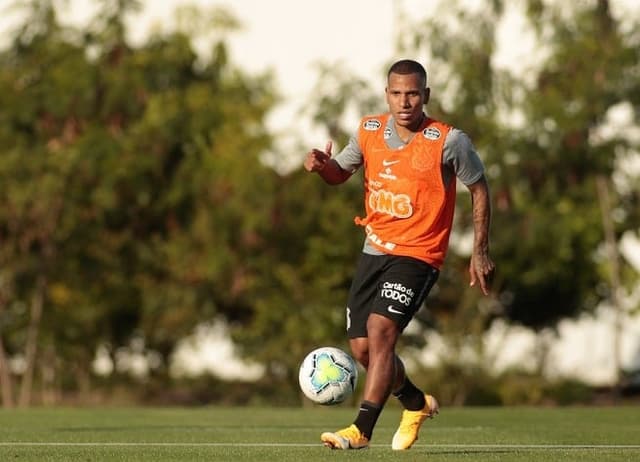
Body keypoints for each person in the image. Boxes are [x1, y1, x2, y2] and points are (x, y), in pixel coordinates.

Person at [303, 59, 495, 451]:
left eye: (413, 93)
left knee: (381, 332)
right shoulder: (368, 130)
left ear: (425, 95)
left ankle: (360, 431)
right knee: (363, 351)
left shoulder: (449, 140)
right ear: (386, 94)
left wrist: (479, 251)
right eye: (397, 93)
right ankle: (415, 403)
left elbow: (479, 188)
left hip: (419, 253)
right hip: (374, 248)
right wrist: (323, 167)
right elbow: (341, 172)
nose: (404, 101)